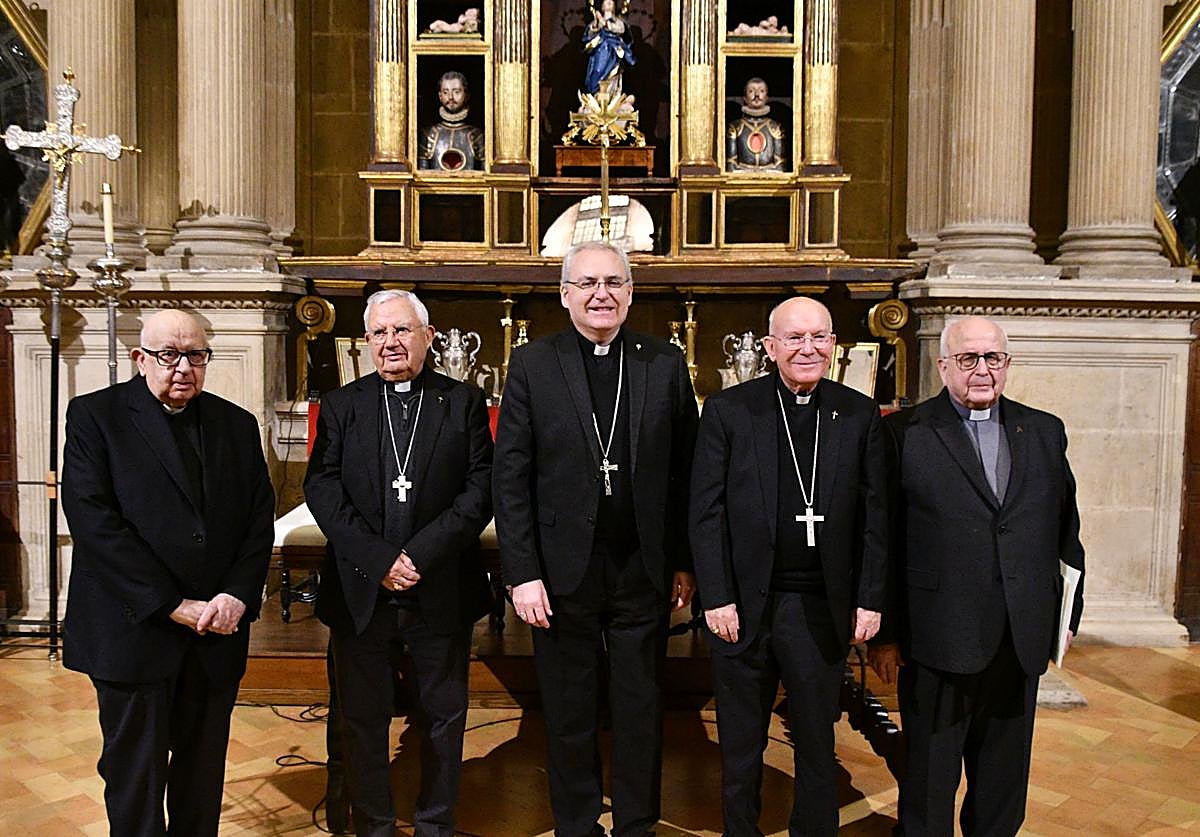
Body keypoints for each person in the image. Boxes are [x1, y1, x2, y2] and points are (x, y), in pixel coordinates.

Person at [493, 239, 699, 837]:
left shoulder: (663, 364)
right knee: (568, 709)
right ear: (565, 295)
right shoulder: (534, 363)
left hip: (643, 566)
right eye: (586, 283)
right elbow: (512, 477)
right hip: (560, 571)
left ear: (631, 293)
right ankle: (576, 823)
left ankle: (636, 823)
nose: (601, 294)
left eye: (613, 282)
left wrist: (685, 562)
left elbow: (686, 471)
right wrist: (521, 572)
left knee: (640, 708)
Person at [868, 316, 1086, 837]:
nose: (982, 370)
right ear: (944, 366)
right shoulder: (903, 433)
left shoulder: (1044, 430)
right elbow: (882, 541)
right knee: (928, 780)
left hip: (1020, 636)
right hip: (937, 637)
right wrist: (887, 634)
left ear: (1007, 364)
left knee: (1004, 782)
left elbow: (1067, 531)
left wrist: (1067, 616)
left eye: (993, 358)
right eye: (968, 359)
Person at [61, 309, 275, 837]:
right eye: (168, 355)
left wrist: (237, 596)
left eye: (195, 355)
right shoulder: (95, 416)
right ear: (140, 358)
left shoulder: (236, 424)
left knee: (202, 776)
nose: (183, 367)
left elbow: (257, 520)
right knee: (135, 774)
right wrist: (171, 604)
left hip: (215, 633)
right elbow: (94, 522)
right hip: (134, 630)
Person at [690, 297, 887, 836]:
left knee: (817, 741)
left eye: (819, 337)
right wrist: (717, 595)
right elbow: (705, 513)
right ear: (770, 346)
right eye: (794, 339)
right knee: (741, 740)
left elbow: (875, 515)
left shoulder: (859, 413)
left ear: (833, 345)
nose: (808, 349)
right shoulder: (730, 411)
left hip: (819, 606)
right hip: (745, 606)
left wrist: (868, 598)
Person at [305, 289, 494, 837]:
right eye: (380, 333)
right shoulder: (343, 405)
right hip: (362, 588)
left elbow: (478, 491)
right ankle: (374, 826)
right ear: (366, 342)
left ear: (428, 336)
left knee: (443, 720)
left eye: (403, 330)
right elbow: (322, 488)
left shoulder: (461, 402)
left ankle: (436, 824)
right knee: (361, 722)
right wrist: (379, 559)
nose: (391, 343)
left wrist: (419, 556)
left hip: (440, 587)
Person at [418, 71, 485, 171]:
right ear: (440, 96)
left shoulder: (476, 135)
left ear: (466, 95)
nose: (450, 97)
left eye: (456, 92)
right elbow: (422, 172)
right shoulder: (429, 134)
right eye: (445, 92)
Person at [726, 78, 787, 172]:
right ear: (745, 98)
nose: (757, 95)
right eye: (751, 91)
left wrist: (762, 171)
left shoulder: (776, 127)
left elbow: (780, 166)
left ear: (767, 97)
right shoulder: (735, 127)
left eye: (761, 91)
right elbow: (731, 166)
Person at [582, 0, 636, 97]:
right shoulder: (597, 20)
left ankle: (612, 95)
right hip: (600, 50)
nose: (609, 3)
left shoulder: (618, 21)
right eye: (606, 1)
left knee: (613, 73)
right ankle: (597, 93)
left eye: (611, 2)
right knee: (598, 70)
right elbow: (590, 33)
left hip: (613, 49)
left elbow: (621, 29)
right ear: (602, 7)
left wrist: (606, 24)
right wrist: (596, 25)